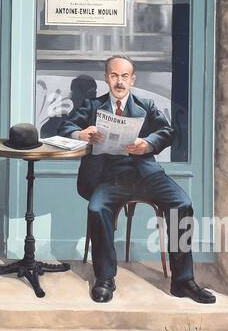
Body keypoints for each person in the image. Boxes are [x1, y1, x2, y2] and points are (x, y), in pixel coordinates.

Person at [61, 55, 215, 305]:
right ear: (106, 78)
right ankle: (105, 278)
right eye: (114, 76)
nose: (119, 82)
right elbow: (64, 129)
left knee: (182, 204)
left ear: (132, 80)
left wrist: (148, 143)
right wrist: (81, 133)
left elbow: (168, 132)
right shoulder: (92, 106)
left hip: (145, 173)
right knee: (97, 208)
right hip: (107, 177)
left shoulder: (146, 105)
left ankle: (183, 280)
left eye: (124, 76)